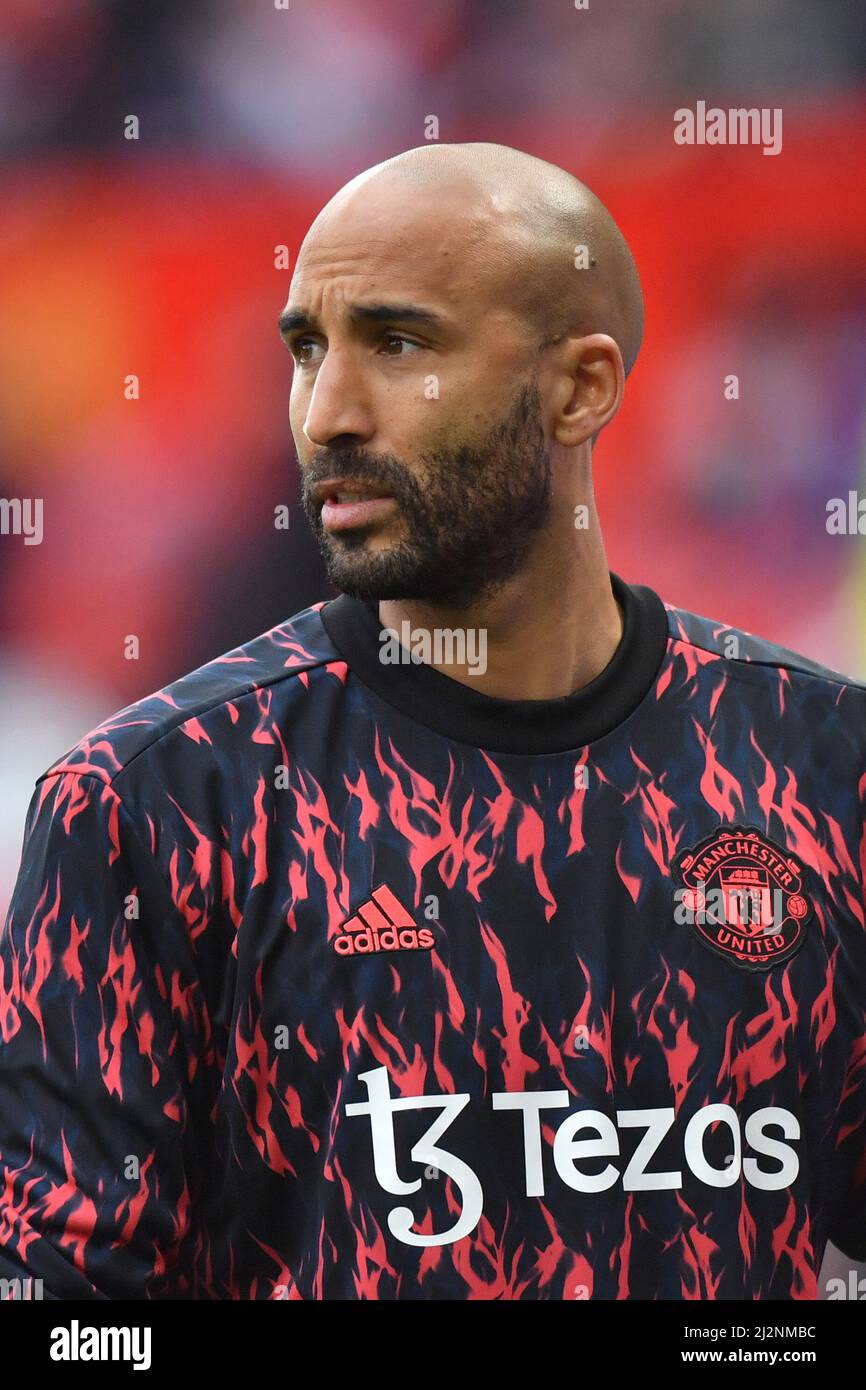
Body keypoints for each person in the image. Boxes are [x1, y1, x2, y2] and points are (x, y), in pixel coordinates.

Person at [0, 142, 863, 1300]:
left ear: (579, 387)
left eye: (397, 343)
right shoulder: (153, 805)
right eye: (307, 350)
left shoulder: (820, 769)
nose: (328, 413)